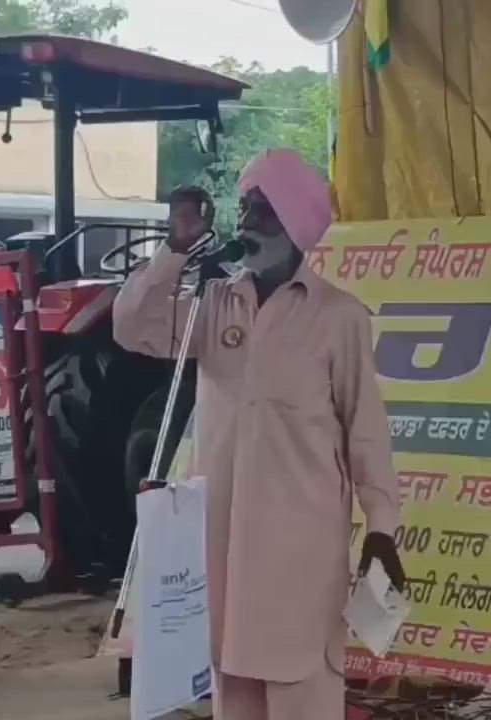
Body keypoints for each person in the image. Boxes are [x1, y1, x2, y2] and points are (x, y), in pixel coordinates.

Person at [112, 148, 406, 719]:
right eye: (244, 208)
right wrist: (176, 248)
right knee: (231, 691)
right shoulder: (215, 304)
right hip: (220, 554)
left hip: (299, 557)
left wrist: (382, 531)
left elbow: (366, 434)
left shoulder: (338, 316)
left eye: (263, 210)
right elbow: (132, 326)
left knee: (302, 691)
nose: (246, 223)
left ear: (296, 224)